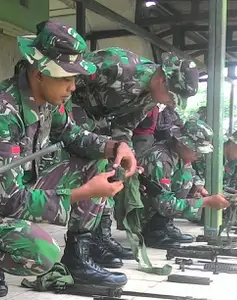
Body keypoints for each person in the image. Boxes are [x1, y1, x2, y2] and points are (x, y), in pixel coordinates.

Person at [0, 21, 138, 298]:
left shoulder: (48, 102)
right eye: (65, 78)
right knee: (43, 252)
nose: (73, 87)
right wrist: (85, 193)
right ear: (39, 73)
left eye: (75, 78)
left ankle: (78, 258)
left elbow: (72, 136)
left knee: (97, 161)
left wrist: (116, 147)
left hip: (20, 189)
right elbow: (11, 200)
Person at [65, 47, 198, 268]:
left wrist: (125, 151)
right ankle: (78, 249)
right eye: (173, 96)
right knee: (94, 168)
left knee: (113, 170)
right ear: (161, 79)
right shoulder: (116, 65)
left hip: (99, 122)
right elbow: (67, 79)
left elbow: (125, 125)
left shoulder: (151, 98)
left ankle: (100, 237)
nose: (171, 103)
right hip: (71, 113)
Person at [139, 119, 236, 248]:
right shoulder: (161, 159)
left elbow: (191, 175)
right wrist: (206, 201)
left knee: (186, 177)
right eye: (196, 150)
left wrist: (199, 187)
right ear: (182, 144)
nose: (199, 155)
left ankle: (164, 224)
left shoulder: (178, 155)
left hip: (160, 207)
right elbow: (165, 204)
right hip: (142, 211)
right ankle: (153, 230)